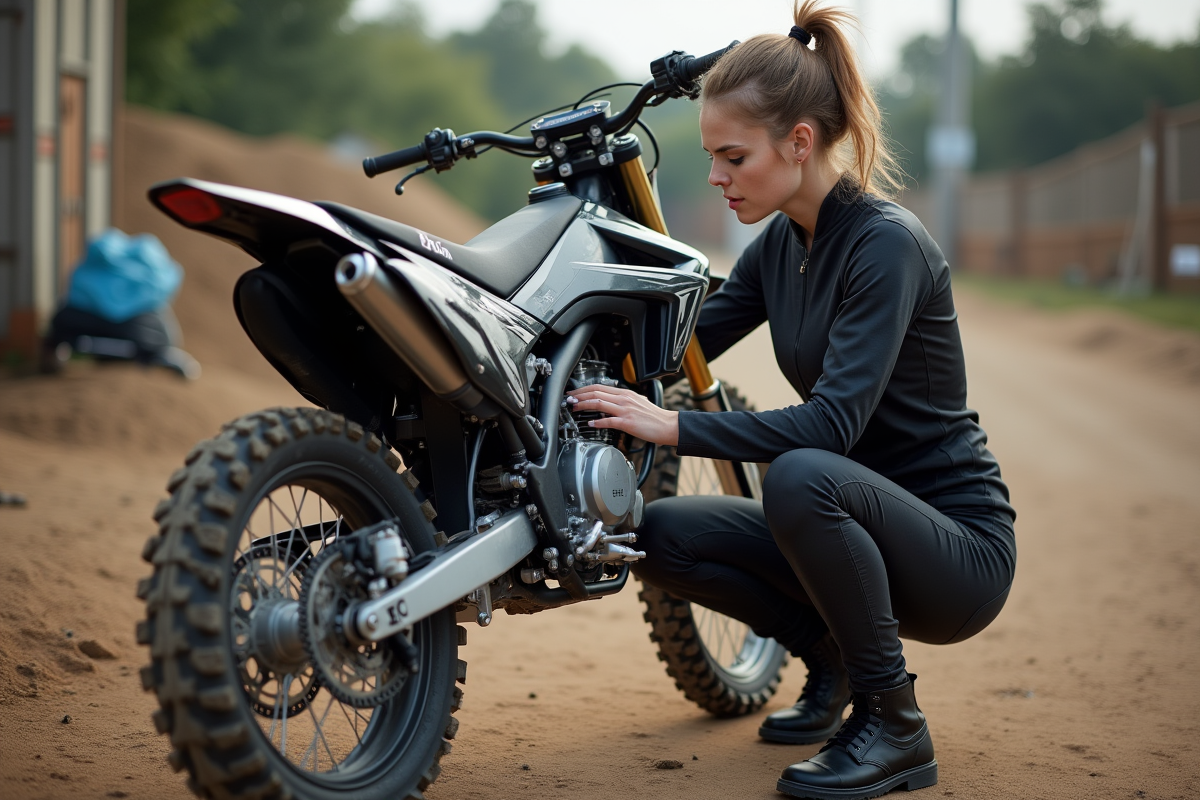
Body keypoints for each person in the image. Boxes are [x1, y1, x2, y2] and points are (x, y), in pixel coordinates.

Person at [566, 3, 1017, 798]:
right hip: (854, 535)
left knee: (802, 472)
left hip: (956, 552)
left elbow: (833, 425)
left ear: (799, 142)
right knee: (661, 533)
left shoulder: (887, 245)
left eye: (733, 156)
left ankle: (895, 725)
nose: (716, 176)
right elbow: (685, 343)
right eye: (712, 157)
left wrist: (672, 427)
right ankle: (835, 659)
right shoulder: (783, 244)